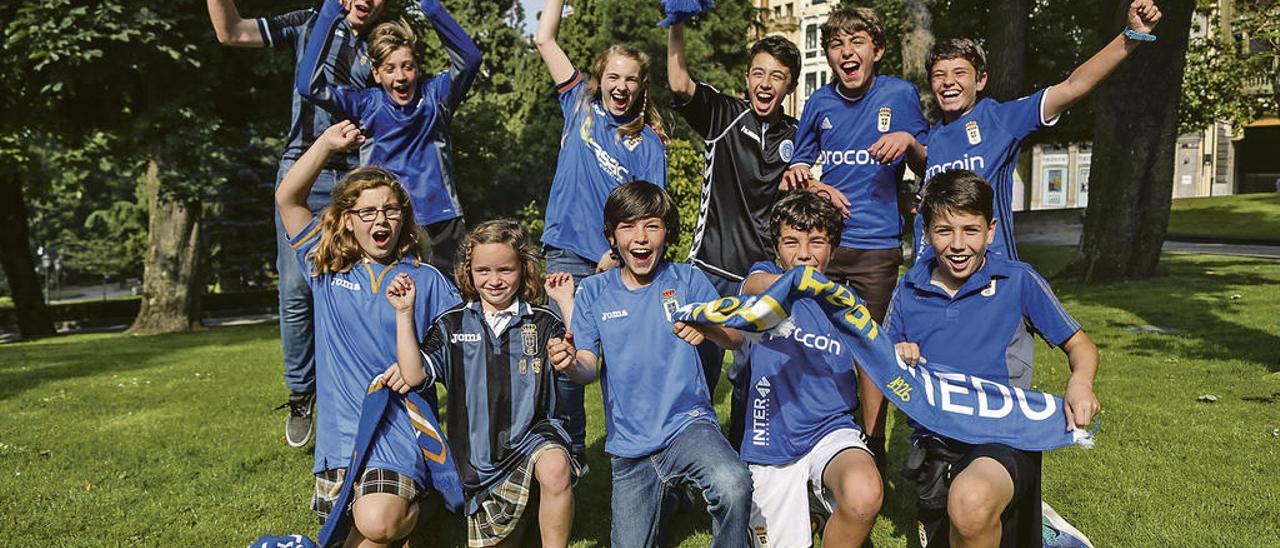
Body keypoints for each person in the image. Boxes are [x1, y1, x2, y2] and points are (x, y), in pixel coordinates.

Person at [206, 0, 390, 447]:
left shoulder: (384, 41)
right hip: (303, 165)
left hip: (358, 171)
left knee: (362, 286)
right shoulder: (309, 22)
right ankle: (301, 393)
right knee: (295, 290)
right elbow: (231, 31)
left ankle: (366, 391)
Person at [884, 169, 1101, 547]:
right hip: (937, 443)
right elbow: (881, 364)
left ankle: (1045, 532)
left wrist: (1080, 382)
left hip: (1004, 436)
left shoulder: (1018, 280)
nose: (957, 244)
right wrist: (896, 355)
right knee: (962, 522)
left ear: (991, 230)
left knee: (970, 504)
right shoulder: (908, 288)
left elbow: (1080, 345)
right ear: (925, 231)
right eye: (944, 230)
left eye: (970, 230)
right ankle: (1043, 534)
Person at [276, 121, 461, 547]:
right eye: (368, 212)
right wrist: (325, 144)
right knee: (360, 532)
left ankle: (430, 500)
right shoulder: (324, 268)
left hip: (399, 431)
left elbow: (462, 343)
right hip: (340, 438)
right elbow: (288, 198)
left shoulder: (426, 279)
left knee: (376, 523)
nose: (382, 220)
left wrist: (423, 364)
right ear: (346, 220)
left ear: (404, 218)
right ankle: (427, 512)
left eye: (392, 210)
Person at [558, 181, 753, 547]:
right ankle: (672, 494)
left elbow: (737, 337)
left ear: (667, 233)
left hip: (688, 425)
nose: (641, 237)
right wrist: (569, 363)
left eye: (652, 225)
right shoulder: (594, 292)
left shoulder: (688, 280)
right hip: (631, 448)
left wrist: (708, 329)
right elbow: (586, 366)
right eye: (628, 226)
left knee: (733, 483)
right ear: (612, 237)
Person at [779, 5, 930, 466]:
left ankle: (871, 443)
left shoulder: (900, 95)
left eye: (856, 42)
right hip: (824, 246)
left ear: (877, 50)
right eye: (837, 45)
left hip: (877, 245)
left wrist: (907, 142)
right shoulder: (819, 103)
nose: (846, 52)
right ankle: (817, 434)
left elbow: (929, 164)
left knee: (871, 347)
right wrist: (818, 184)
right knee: (816, 342)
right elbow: (797, 169)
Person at [912, 0, 1163, 262]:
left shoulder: (1002, 119)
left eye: (960, 73)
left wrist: (1131, 36)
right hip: (930, 276)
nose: (948, 82)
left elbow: (1073, 86)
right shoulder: (931, 137)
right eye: (939, 75)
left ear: (981, 80)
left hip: (989, 275)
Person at [532, 0, 670, 466]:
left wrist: (617, 254)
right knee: (567, 361)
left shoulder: (647, 144)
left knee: (625, 366)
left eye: (631, 78)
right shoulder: (579, 106)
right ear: (599, 79)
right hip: (566, 256)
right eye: (614, 76)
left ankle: (644, 453)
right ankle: (571, 454)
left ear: (640, 86)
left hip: (615, 266)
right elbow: (544, 38)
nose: (621, 86)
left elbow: (651, 212)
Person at [392, 219, 580, 547]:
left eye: (505, 270)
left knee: (555, 467)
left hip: (533, 439)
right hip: (478, 463)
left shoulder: (542, 321)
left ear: (523, 268)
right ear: (468, 271)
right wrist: (404, 314)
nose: (494, 281)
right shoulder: (451, 326)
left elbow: (578, 354)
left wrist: (566, 304)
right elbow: (413, 376)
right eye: (483, 271)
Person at [736, 192, 883, 547]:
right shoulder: (763, 279)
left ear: (833, 249)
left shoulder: (849, 304)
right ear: (776, 248)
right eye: (791, 242)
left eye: (817, 242)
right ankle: (812, 510)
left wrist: (873, 436)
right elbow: (754, 289)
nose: (803, 253)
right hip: (768, 440)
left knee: (864, 494)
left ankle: (821, 509)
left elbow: (874, 365)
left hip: (830, 430)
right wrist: (800, 283)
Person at [298, 0, 482, 274]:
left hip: (442, 220)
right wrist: (331, 11)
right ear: (376, 73)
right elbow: (308, 85)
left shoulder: (437, 96)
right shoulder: (367, 105)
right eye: (390, 68)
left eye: (407, 66)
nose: (400, 76)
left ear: (417, 68)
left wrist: (430, 7)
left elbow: (471, 58)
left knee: (449, 308)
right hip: (387, 223)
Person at [666, 23, 801, 297]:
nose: (765, 83)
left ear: (791, 86)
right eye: (758, 73)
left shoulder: (798, 134)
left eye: (777, 76)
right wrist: (676, 22)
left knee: (758, 342)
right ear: (747, 78)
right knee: (694, 340)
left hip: (761, 274)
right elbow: (679, 83)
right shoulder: (724, 115)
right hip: (709, 267)